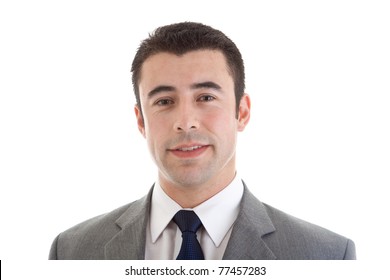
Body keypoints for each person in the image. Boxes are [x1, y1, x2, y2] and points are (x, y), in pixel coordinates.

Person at [49, 22, 356, 260]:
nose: (186, 122)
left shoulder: (325, 255)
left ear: (242, 112)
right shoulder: (72, 252)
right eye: (164, 101)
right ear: (141, 120)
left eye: (206, 97)